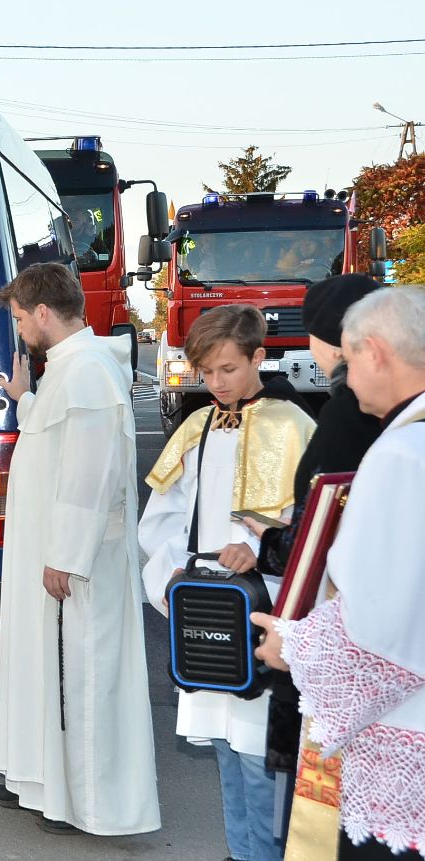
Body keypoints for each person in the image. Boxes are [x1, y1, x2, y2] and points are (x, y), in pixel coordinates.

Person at [0, 262, 160, 836]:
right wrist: (26, 399)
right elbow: (57, 442)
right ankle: (38, 782)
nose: (18, 330)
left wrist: (66, 553)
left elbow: (92, 474)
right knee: (45, 669)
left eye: (18, 318)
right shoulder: (68, 369)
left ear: (42, 313)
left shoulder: (86, 372)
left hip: (71, 566)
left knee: (77, 679)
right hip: (49, 558)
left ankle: (81, 805)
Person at [252, 286, 425, 860]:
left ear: (375, 352)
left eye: (351, 362)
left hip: (403, 728)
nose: (346, 381)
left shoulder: (403, 454)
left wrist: (293, 647)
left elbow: (385, 621)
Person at [140, 305, 315, 861]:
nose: (215, 384)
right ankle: (242, 853)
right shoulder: (195, 427)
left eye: (228, 370)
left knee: (261, 755)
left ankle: (261, 853)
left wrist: (264, 546)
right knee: (222, 744)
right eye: (205, 373)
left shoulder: (295, 425)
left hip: (265, 615)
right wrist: (170, 574)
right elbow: (164, 515)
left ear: (259, 357)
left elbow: (312, 523)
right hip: (205, 610)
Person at [239, 275, 383, 775]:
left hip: (341, 623)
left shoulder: (349, 413)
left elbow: (322, 531)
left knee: (326, 800)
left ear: (328, 341)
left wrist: (271, 539)